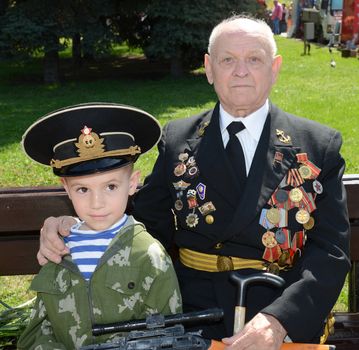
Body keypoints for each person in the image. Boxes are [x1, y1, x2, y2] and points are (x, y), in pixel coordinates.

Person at [37, 15, 350, 350]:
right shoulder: (178, 139)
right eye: (227, 59)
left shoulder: (318, 145)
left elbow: (330, 250)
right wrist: (73, 226)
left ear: (274, 68)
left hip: (278, 307)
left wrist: (279, 320)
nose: (240, 71)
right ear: (209, 68)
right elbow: (142, 224)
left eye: (254, 59)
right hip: (191, 314)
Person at [17, 103, 182, 350]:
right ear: (66, 188)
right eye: (83, 189)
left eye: (111, 186)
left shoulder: (148, 254)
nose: (97, 203)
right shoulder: (58, 250)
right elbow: (36, 333)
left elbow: (167, 336)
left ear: (132, 184)